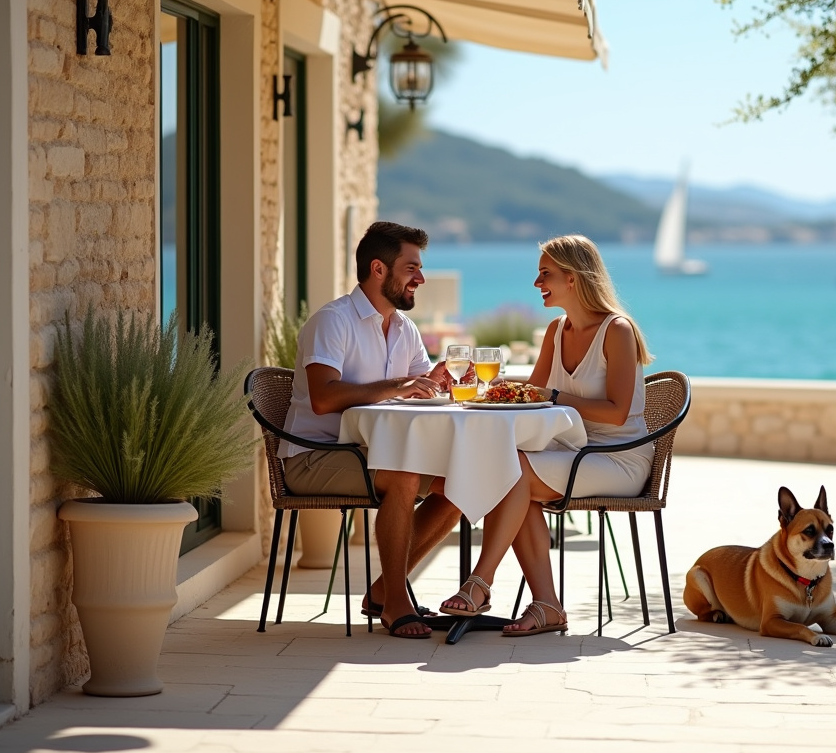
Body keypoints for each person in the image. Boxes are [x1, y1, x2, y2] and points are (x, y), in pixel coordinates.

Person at [438, 234, 654, 636]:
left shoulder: (617, 331)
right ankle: (546, 606)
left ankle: (479, 583)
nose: (537, 283)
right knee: (512, 472)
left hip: (618, 458)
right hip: (573, 452)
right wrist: (491, 385)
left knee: (514, 471)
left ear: (573, 278)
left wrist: (553, 395)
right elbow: (532, 394)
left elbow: (616, 411)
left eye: (545, 274)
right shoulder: (557, 330)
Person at [280, 221, 461, 638]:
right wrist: (398, 385)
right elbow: (324, 397)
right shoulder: (334, 321)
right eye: (411, 267)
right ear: (379, 270)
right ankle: (396, 603)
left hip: (369, 452)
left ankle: (382, 590)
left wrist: (436, 382)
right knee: (402, 473)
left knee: (459, 483)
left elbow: (419, 391)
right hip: (314, 456)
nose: (421, 278)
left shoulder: (404, 329)